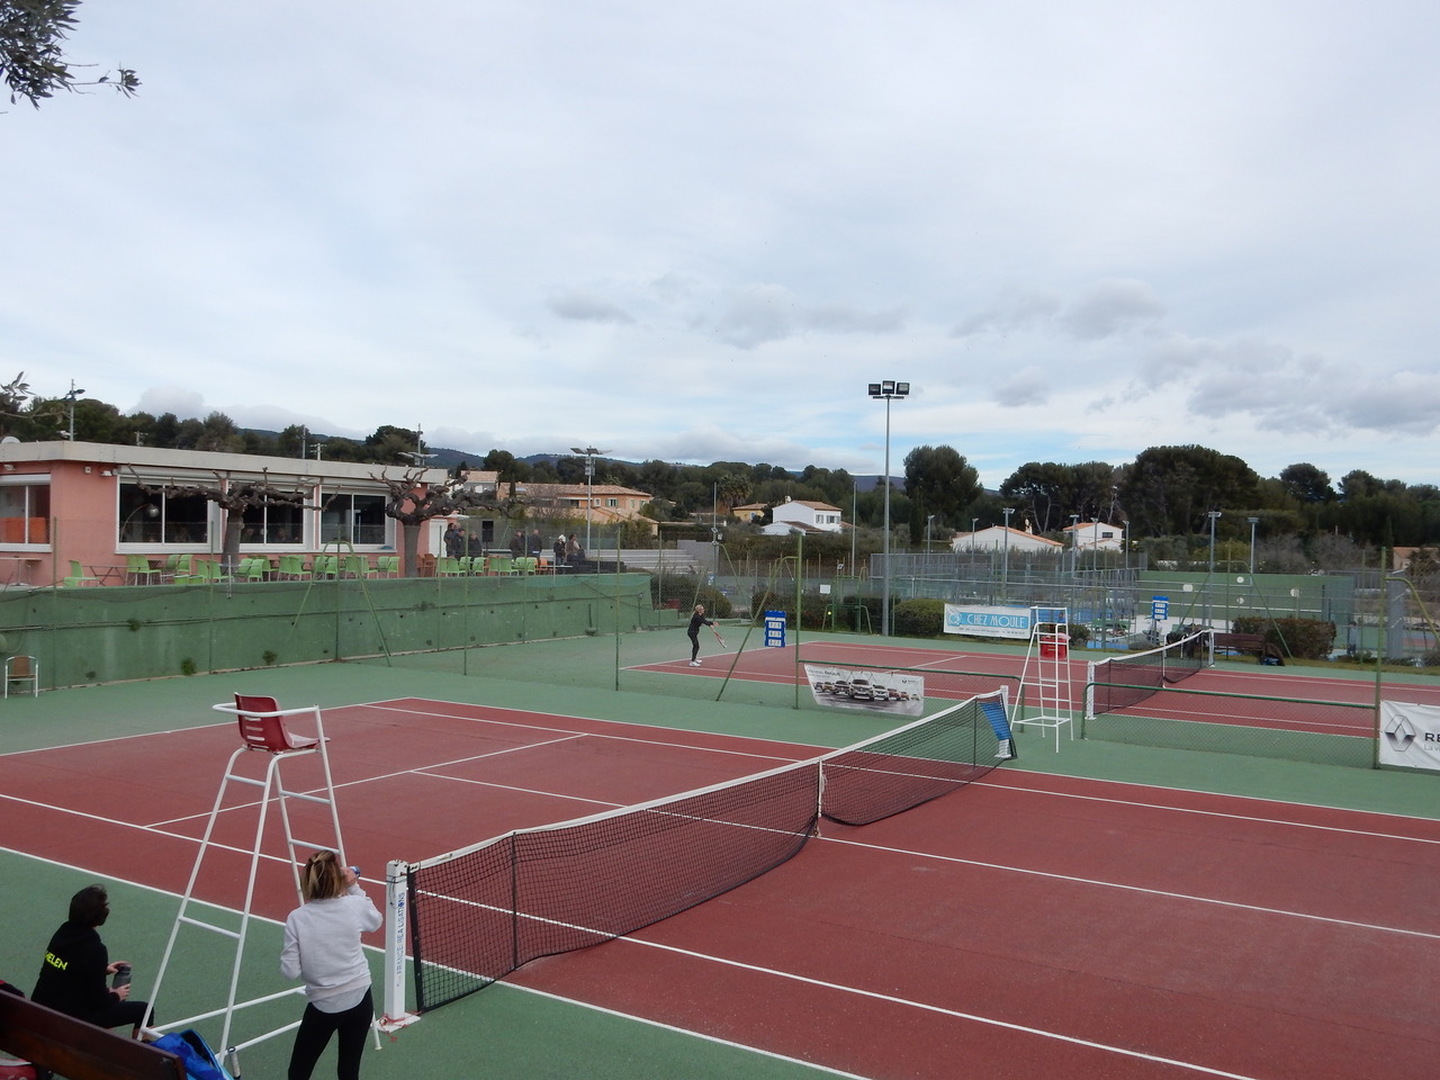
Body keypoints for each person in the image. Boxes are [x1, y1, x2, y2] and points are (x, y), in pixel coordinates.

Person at [281, 851, 383, 1080]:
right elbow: (375, 921)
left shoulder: (297, 918)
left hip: (324, 1004)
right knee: (348, 1071)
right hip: (361, 998)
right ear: (338, 879)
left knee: (298, 1072)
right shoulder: (354, 905)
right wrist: (354, 886)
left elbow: (290, 971)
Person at [32, 884, 154, 1037]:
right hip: (70, 1019)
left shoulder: (61, 933)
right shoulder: (95, 948)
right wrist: (117, 995)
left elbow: (68, 969)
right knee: (144, 1010)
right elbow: (98, 1001)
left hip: (39, 1009)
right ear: (101, 916)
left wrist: (101, 969)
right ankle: (140, 1057)